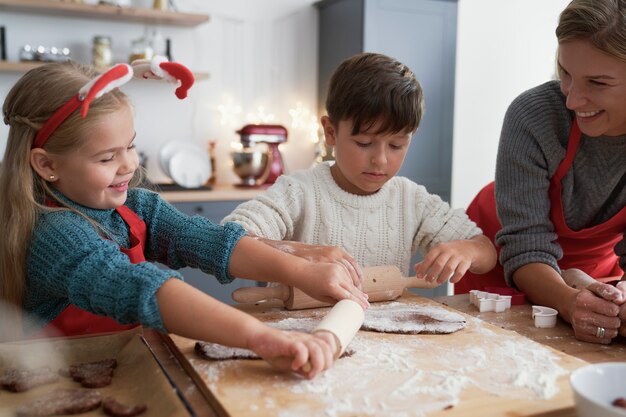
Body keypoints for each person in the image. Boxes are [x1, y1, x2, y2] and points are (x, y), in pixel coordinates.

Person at [0, 60, 369, 379]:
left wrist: (302, 272)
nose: (129, 165)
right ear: (47, 164)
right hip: (52, 379)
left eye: (130, 146)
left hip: (120, 362)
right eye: (106, 158)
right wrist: (259, 336)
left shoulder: (137, 206)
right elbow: (141, 288)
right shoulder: (54, 232)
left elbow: (206, 240)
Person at [223, 52, 496, 287]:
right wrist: (304, 254)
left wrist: (466, 250)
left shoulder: (411, 200)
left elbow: (486, 251)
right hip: (305, 334)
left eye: (396, 145)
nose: (380, 159)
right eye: (364, 143)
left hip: (386, 339)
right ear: (330, 132)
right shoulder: (299, 192)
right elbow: (229, 239)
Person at [455, 0, 626, 344]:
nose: (573, 100)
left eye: (596, 82)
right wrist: (567, 301)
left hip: (595, 273)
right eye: (565, 73)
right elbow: (526, 245)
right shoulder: (534, 116)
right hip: (502, 263)